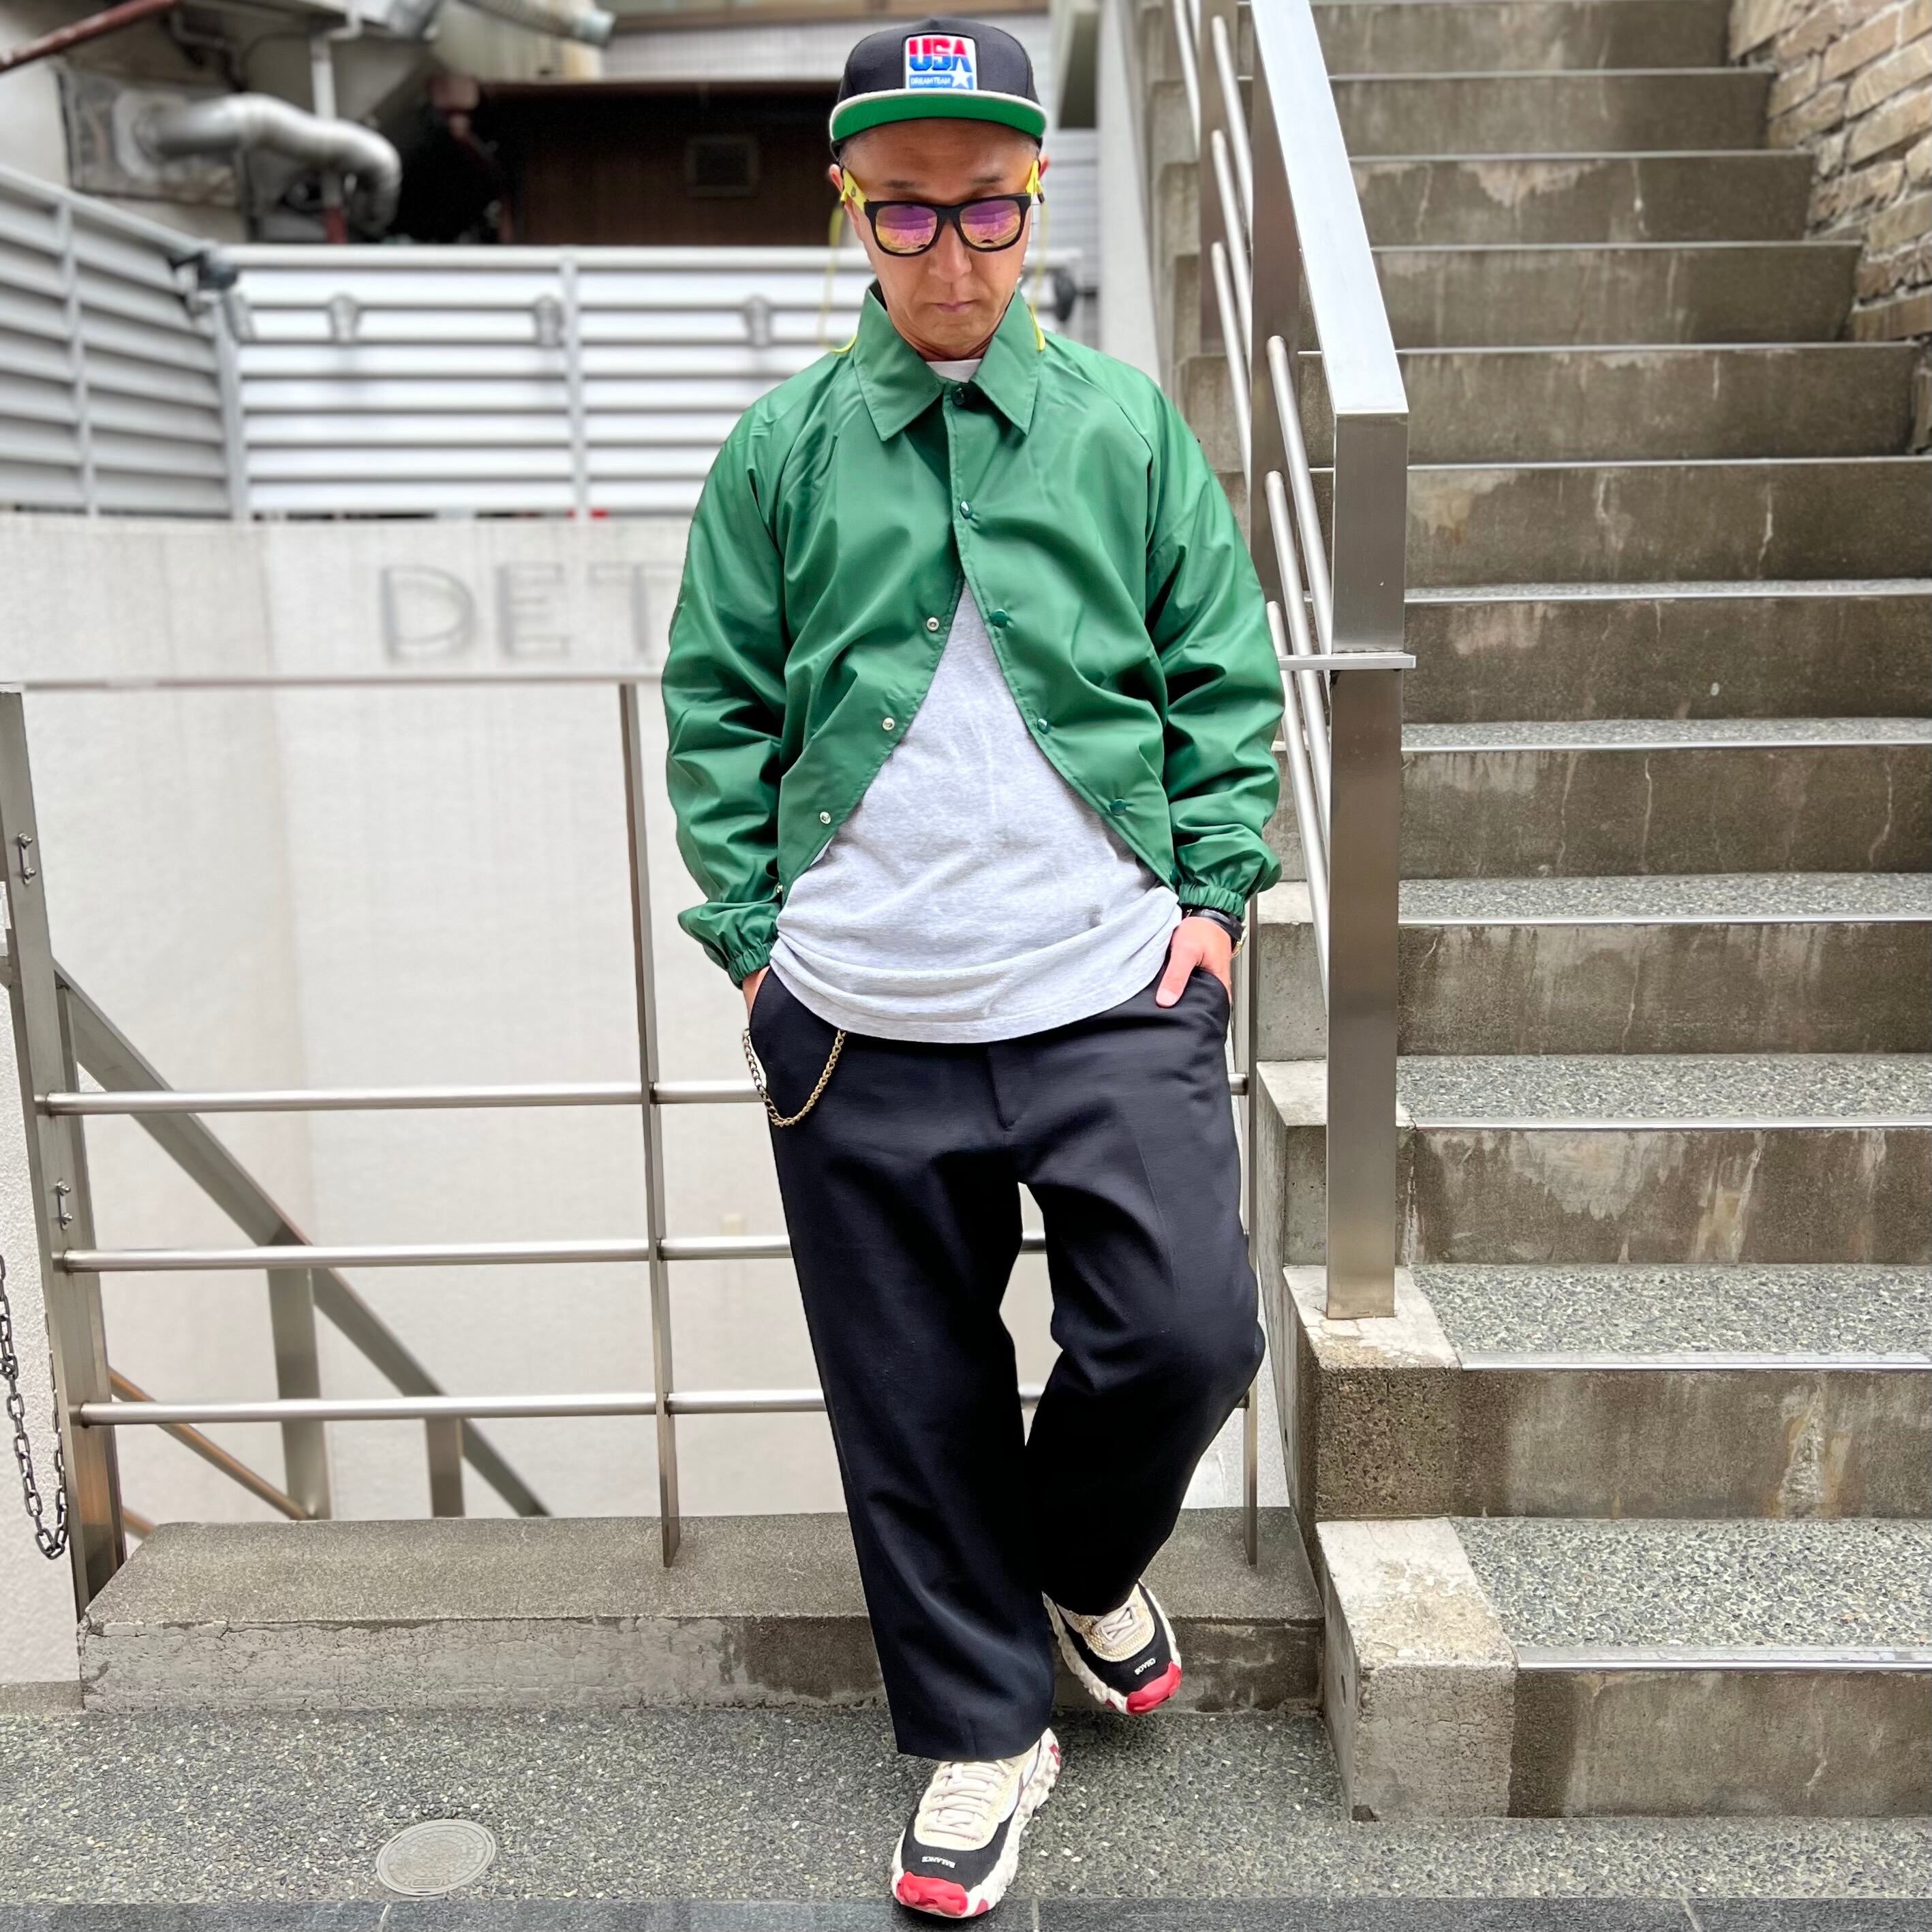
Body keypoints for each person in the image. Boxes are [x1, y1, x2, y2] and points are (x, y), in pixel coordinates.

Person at [660, 14, 1283, 1918]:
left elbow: (1220, 671)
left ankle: (1077, 1564)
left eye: (988, 207)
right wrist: (757, 952)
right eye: (908, 211)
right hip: (857, 1017)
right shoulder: (780, 448)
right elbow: (715, 703)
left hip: (1108, 984)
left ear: (1033, 205)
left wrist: (1213, 901)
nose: (951, 250)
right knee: (910, 1396)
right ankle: (976, 1732)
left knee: (1188, 1330)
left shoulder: (1122, 425)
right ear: (852, 210)